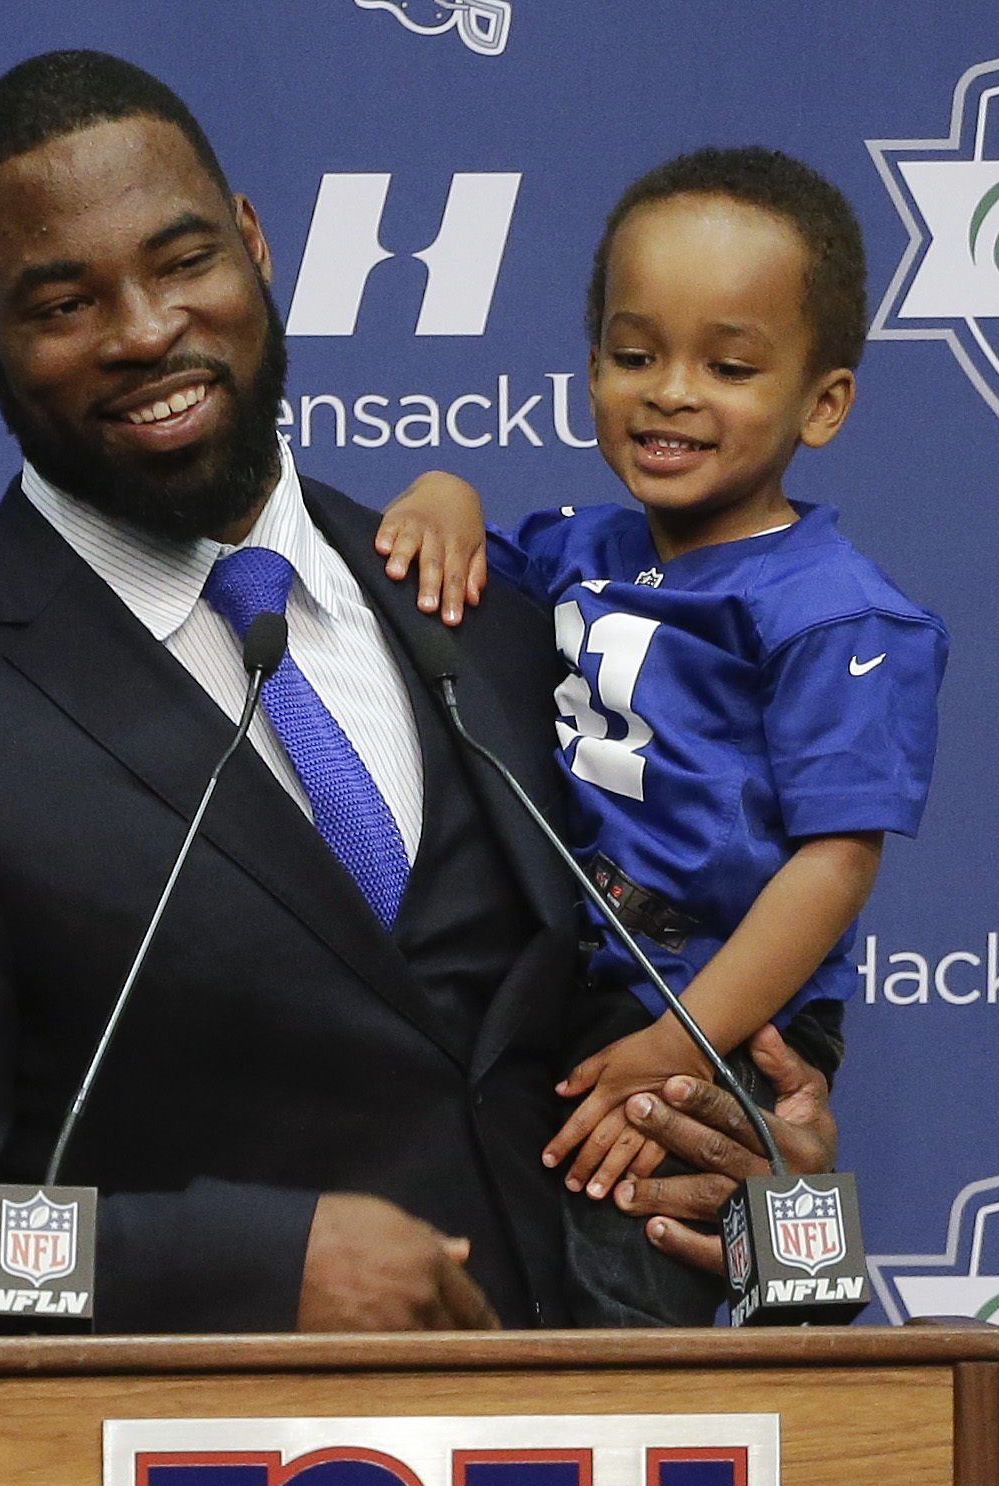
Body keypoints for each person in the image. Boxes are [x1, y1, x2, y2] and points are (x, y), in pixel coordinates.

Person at [0, 52, 821, 1356]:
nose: (143, 329)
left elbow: (615, 1058)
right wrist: (240, 1265)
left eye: (181, 261)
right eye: (66, 301)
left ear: (251, 243)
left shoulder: (505, 626)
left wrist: (771, 1201)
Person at [374, 147, 946, 1212]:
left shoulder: (837, 611)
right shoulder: (574, 548)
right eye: (634, 354)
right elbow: (465, 561)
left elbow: (835, 863)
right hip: (573, 980)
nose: (671, 393)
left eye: (730, 369)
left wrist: (681, 1037)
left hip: (721, 1008)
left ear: (822, 404)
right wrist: (445, 485)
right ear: (590, 370)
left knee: (630, 1267)